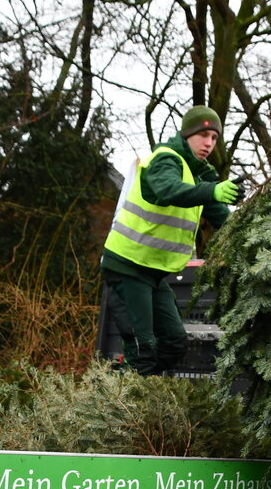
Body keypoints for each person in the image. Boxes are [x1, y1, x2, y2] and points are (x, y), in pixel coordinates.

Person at [101, 105, 241, 375]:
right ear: (188, 134)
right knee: (144, 347)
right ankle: (120, 401)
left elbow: (224, 219)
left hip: (153, 275)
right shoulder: (165, 159)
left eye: (214, 138)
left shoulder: (198, 175)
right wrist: (213, 191)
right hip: (127, 266)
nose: (209, 143)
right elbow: (169, 190)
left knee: (174, 343)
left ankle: (131, 385)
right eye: (204, 135)